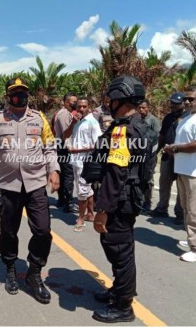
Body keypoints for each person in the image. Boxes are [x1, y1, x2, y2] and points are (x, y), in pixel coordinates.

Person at [0, 77, 60, 304]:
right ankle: (11, 268)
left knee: (43, 230)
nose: (19, 97)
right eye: (14, 93)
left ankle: (34, 273)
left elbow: (50, 146)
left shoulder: (39, 118)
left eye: (23, 93)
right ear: (7, 97)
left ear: (28, 96)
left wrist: (54, 170)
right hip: (9, 186)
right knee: (8, 231)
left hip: (35, 184)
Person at [92, 75, 149, 323]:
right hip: (129, 199)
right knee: (121, 249)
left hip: (119, 201)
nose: (109, 103)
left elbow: (116, 174)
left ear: (119, 98)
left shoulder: (123, 131)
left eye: (111, 98)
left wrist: (103, 209)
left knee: (119, 251)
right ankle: (119, 290)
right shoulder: (138, 125)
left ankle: (124, 306)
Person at [163, 86, 196, 262]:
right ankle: (192, 239)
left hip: (193, 172)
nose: (188, 102)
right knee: (186, 208)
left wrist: (175, 148)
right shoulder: (186, 118)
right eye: (187, 99)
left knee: (194, 210)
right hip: (183, 169)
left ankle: (195, 248)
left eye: (192, 99)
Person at [148, 92, 185, 223]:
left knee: (181, 186)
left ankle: (180, 213)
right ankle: (162, 208)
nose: (173, 105)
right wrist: (155, 151)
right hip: (166, 156)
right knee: (164, 183)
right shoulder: (168, 117)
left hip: (181, 157)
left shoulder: (187, 118)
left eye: (176, 103)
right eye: (172, 103)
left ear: (183, 103)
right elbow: (162, 135)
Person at [68, 97, 102, 231]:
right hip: (76, 161)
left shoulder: (92, 122)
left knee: (82, 191)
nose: (81, 109)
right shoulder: (78, 121)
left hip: (85, 162)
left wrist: (77, 150)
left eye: (84, 106)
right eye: (79, 106)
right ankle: (90, 214)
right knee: (87, 189)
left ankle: (80, 219)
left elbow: (97, 145)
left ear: (89, 107)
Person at [54, 93, 78, 213]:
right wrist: (70, 148)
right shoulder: (63, 114)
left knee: (63, 174)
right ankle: (68, 202)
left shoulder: (67, 113)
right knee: (68, 175)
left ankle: (62, 200)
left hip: (63, 147)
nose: (74, 104)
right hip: (64, 147)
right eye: (72, 102)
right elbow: (65, 134)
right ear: (66, 102)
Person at [138, 99, 160, 212]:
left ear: (148, 108)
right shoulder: (136, 119)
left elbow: (157, 138)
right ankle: (139, 200)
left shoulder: (153, 120)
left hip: (149, 155)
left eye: (143, 108)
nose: (141, 110)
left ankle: (147, 203)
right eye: (139, 108)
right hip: (138, 154)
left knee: (148, 179)